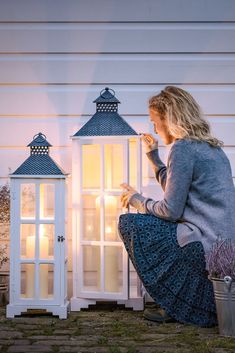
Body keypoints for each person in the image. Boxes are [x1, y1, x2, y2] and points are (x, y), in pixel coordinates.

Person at [118, 86, 235, 327]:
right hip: (222, 247)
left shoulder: (183, 149)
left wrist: (137, 200)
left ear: (169, 118)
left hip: (202, 244)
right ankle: (183, 301)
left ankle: (176, 304)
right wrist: (154, 158)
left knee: (131, 223)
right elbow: (177, 188)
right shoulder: (211, 148)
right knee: (151, 225)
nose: (155, 128)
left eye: (155, 121)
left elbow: (170, 211)